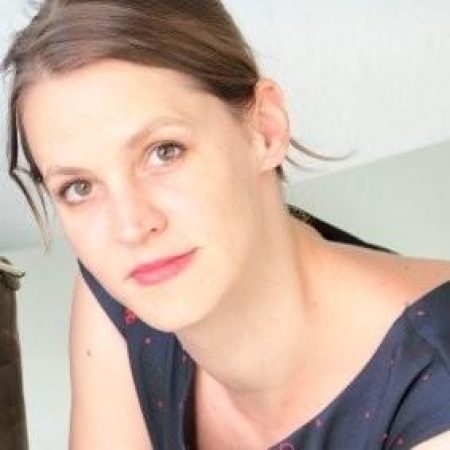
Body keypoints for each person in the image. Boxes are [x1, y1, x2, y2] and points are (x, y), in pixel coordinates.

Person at [2, 1, 450, 449]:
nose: (131, 226)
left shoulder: (432, 383)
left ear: (265, 130)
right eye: (79, 187)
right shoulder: (124, 297)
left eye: (164, 151)